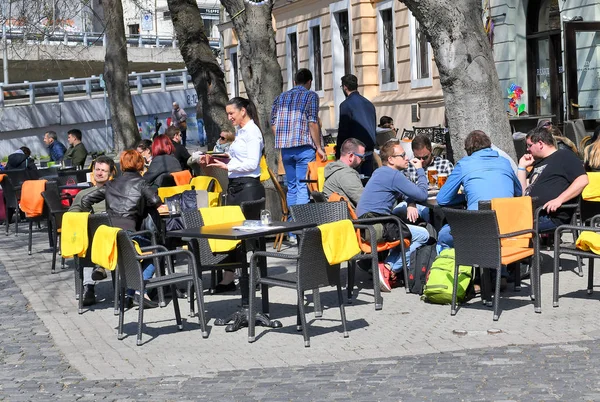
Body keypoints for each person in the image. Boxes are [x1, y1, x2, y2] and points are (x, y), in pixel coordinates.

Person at [81, 150, 162, 308]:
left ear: (122, 165)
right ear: (140, 164)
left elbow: (86, 199)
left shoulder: (111, 184)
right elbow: (155, 200)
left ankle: (128, 296)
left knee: (132, 256)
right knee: (156, 252)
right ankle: (139, 292)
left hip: (110, 236)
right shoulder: (141, 183)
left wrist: (92, 218)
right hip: (130, 233)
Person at [206, 97, 265, 293]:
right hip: (235, 186)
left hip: (248, 187)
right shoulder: (241, 132)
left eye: (231, 113)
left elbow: (252, 163)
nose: (229, 117)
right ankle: (229, 277)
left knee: (250, 233)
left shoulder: (253, 132)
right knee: (232, 232)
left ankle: (256, 276)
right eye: (228, 113)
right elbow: (240, 156)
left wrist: (227, 165)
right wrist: (223, 157)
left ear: (243, 111)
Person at [356, 140, 429, 292]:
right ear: (390, 159)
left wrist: (410, 203)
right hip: (377, 227)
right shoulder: (394, 175)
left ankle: (386, 267)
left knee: (405, 232)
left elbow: (406, 193)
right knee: (423, 235)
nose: (407, 158)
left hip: (365, 226)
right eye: (402, 155)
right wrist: (420, 171)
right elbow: (422, 194)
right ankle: (388, 267)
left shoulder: (380, 172)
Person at [436, 130, 522, 249]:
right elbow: (518, 193)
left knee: (443, 235)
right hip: (509, 229)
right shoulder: (504, 162)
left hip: (477, 229)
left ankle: (457, 267)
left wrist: (465, 197)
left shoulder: (464, 164)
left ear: (468, 150)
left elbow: (442, 199)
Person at [271, 68, 325, 211]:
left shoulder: (280, 97)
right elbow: (312, 122)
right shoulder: (311, 96)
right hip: (304, 148)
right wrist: (319, 147)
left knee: (292, 186)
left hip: (286, 149)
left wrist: (283, 139)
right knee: (303, 185)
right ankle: (301, 226)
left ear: (295, 82)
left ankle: (292, 229)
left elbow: (273, 124)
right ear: (310, 82)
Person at [518, 126, 588, 232]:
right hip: (530, 214)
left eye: (529, 145)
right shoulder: (538, 163)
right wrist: (522, 167)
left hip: (549, 217)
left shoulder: (564, 156)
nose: (527, 149)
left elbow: (583, 180)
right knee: (500, 223)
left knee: (508, 228)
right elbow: (523, 192)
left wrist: (559, 199)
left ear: (540, 144)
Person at [68, 155, 116, 306]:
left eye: (104, 170)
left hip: (113, 238)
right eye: (97, 169)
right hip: (91, 239)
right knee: (86, 245)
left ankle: (93, 280)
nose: (99, 173)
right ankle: (89, 287)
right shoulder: (83, 194)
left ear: (111, 174)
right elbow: (72, 215)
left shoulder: (116, 192)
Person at [395, 135, 454, 223]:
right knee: (398, 210)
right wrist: (410, 202)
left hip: (440, 204)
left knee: (435, 213)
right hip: (417, 204)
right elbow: (402, 190)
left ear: (431, 150)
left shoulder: (444, 164)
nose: (421, 161)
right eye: (418, 158)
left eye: (425, 157)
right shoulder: (409, 167)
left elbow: (453, 187)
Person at [336, 74, 377, 176]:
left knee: (354, 183)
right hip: (369, 150)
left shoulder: (345, 105)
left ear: (345, 87)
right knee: (367, 182)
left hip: (354, 153)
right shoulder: (369, 104)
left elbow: (343, 130)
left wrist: (339, 151)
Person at [322, 138, 366, 207]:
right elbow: (365, 201)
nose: (363, 160)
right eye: (361, 157)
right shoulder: (346, 175)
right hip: (350, 217)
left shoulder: (335, 170)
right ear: (351, 156)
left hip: (336, 215)